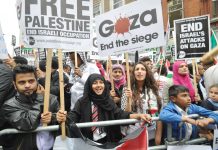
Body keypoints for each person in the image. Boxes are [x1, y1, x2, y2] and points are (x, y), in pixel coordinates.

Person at [56, 74, 151, 144]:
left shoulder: (108, 101)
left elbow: (120, 114)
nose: (98, 85)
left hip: (107, 141)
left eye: (101, 82)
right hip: (87, 143)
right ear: (89, 86)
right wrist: (62, 117)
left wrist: (139, 115)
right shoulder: (82, 102)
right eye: (95, 83)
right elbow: (72, 117)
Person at [0, 65, 59, 149]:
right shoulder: (9, 105)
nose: (27, 85)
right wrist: (40, 98)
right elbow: (27, 124)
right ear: (14, 84)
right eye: (22, 82)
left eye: (31, 81)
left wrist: (53, 118)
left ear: (36, 81)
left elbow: (62, 120)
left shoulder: (51, 99)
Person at [120, 62, 162, 145]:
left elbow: (159, 113)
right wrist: (129, 99)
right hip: (132, 134)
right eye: (137, 69)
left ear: (147, 72)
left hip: (150, 134)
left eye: (143, 69)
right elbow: (125, 114)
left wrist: (158, 135)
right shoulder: (127, 89)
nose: (139, 71)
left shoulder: (154, 89)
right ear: (133, 73)